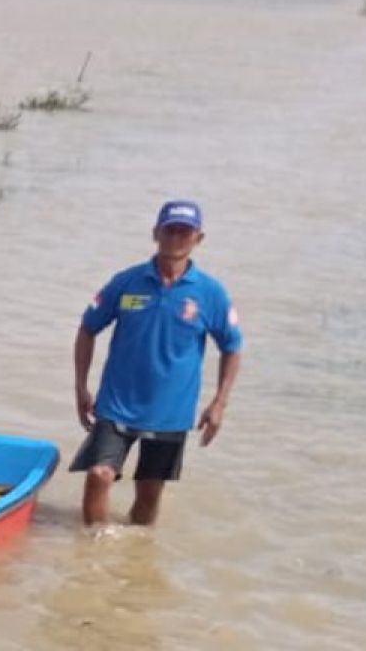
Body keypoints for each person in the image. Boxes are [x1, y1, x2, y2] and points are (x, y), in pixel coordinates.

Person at [71, 199, 243, 527]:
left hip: (170, 413)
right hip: (116, 404)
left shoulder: (211, 293)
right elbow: (87, 328)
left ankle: (136, 559)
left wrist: (219, 403)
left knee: (149, 493)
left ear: (198, 239)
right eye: (170, 230)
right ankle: (92, 557)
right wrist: (80, 385)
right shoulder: (126, 282)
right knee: (99, 475)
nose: (176, 238)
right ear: (155, 234)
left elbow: (232, 348)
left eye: (185, 232)